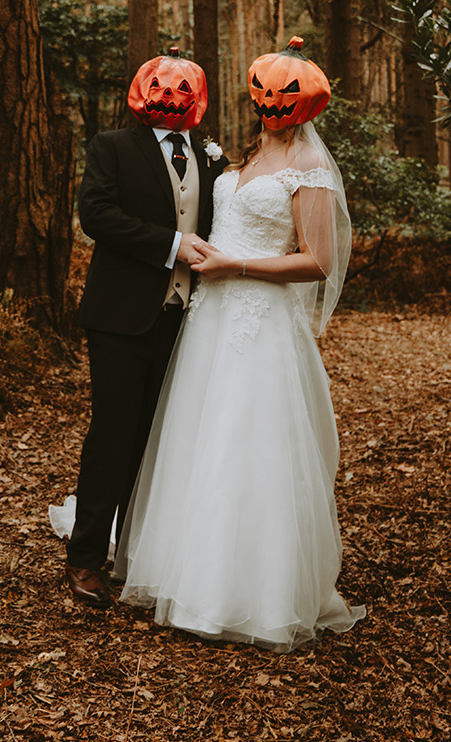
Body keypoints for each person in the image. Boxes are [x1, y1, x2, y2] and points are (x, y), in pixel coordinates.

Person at [115, 37, 365, 651]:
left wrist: (239, 269)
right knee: (196, 440)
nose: (272, 105)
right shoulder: (237, 158)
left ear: (309, 103)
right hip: (209, 318)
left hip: (259, 318)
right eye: (265, 95)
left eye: (286, 96)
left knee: (249, 443)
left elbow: (319, 261)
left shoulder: (309, 170)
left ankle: (252, 591)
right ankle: (184, 570)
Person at [61, 47, 225, 609]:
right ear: (142, 89)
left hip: (189, 319)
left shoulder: (211, 157)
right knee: (113, 435)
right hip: (119, 318)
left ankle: (141, 555)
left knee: (164, 441)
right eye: (160, 86)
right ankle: (85, 558)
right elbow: (96, 216)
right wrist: (173, 245)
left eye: (182, 90)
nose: (169, 97)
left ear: (197, 98)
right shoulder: (111, 148)